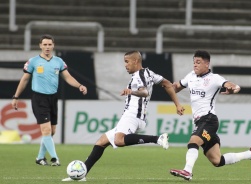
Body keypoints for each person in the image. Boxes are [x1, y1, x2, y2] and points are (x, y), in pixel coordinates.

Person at [62, 50, 185, 181]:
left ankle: (157, 139)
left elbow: (144, 92)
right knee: (101, 142)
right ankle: (82, 175)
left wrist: (131, 91)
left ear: (135, 61)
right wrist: (177, 104)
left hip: (133, 114)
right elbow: (167, 84)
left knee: (118, 140)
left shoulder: (139, 75)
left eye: (127, 62)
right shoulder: (149, 73)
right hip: (135, 115)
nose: (125, 65)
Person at [169, 50, 251, 181]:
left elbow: (230, 85)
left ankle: (187, 171)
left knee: (193, 142)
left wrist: (234, 88)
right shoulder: (190, 76)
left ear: (207, 64)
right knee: (217, 160)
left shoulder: (214, 78)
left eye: (198, 62)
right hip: (199, 122)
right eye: (194, 62)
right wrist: (168, 87)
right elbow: (176, 87)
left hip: (208, 120)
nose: (195, 65)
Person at [11, 34, 87, 166]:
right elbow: (24, 79)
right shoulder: (33, 61)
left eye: (49, 44)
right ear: (40, 45)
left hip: (53, 98)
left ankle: (40, 158)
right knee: (46, 130)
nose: (47, 47)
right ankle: (54, 158)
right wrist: (16, 96)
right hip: (39, 98)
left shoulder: (59, 61)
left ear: (53, 45)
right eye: (44, 44)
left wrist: (79, 85)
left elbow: (68, 77)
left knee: (52, 131)